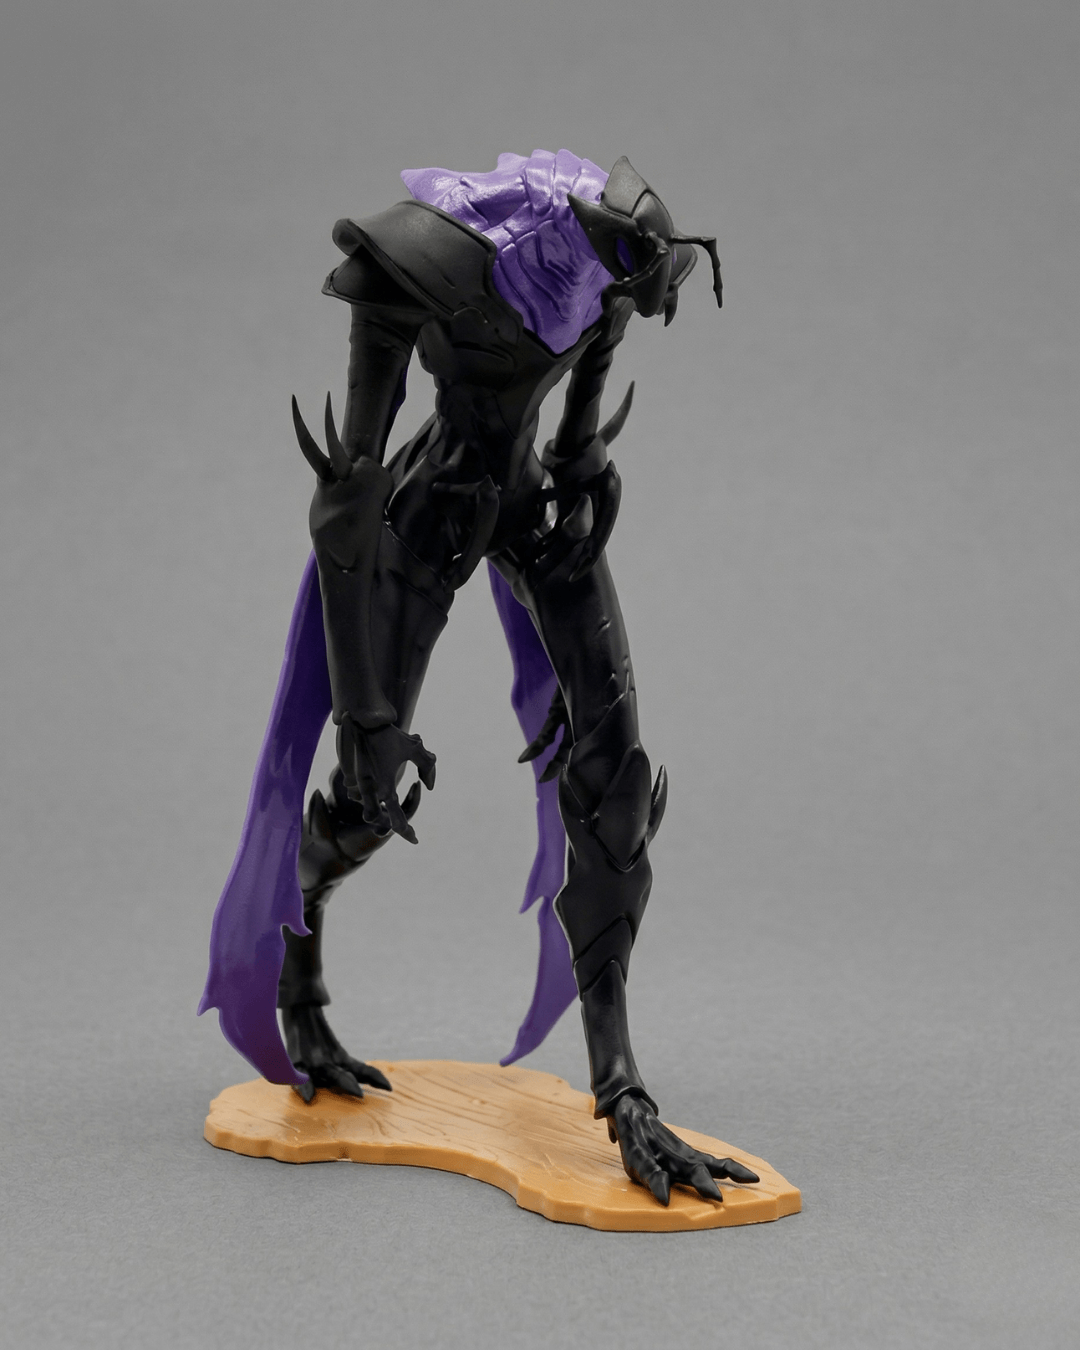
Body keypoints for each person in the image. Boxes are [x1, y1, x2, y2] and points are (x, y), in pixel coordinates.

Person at [201, 149, 757, 1206]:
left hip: (534, 511)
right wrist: (365, 714)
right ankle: (295, 960)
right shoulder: (436, 258)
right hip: (430, 513)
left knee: (616, 790)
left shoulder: (608, 276)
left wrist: (586, 473)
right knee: (365, 806)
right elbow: (348, 497)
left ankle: (623, 1091)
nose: (643, 302)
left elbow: (580, 419)